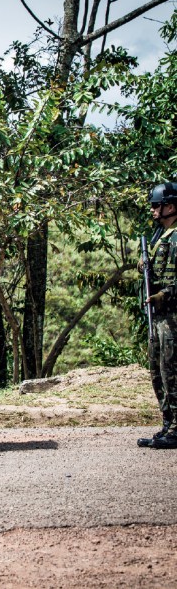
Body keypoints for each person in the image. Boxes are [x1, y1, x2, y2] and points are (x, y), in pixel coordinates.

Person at [140, 181, 177, 449]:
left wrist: (165, 295)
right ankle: (168, 423)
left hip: (173, 315)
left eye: (157, 205)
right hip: (158, 316)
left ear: (171, 206)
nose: (153, 210)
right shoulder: (158, 236)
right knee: (158, 371)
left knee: (172, 371)